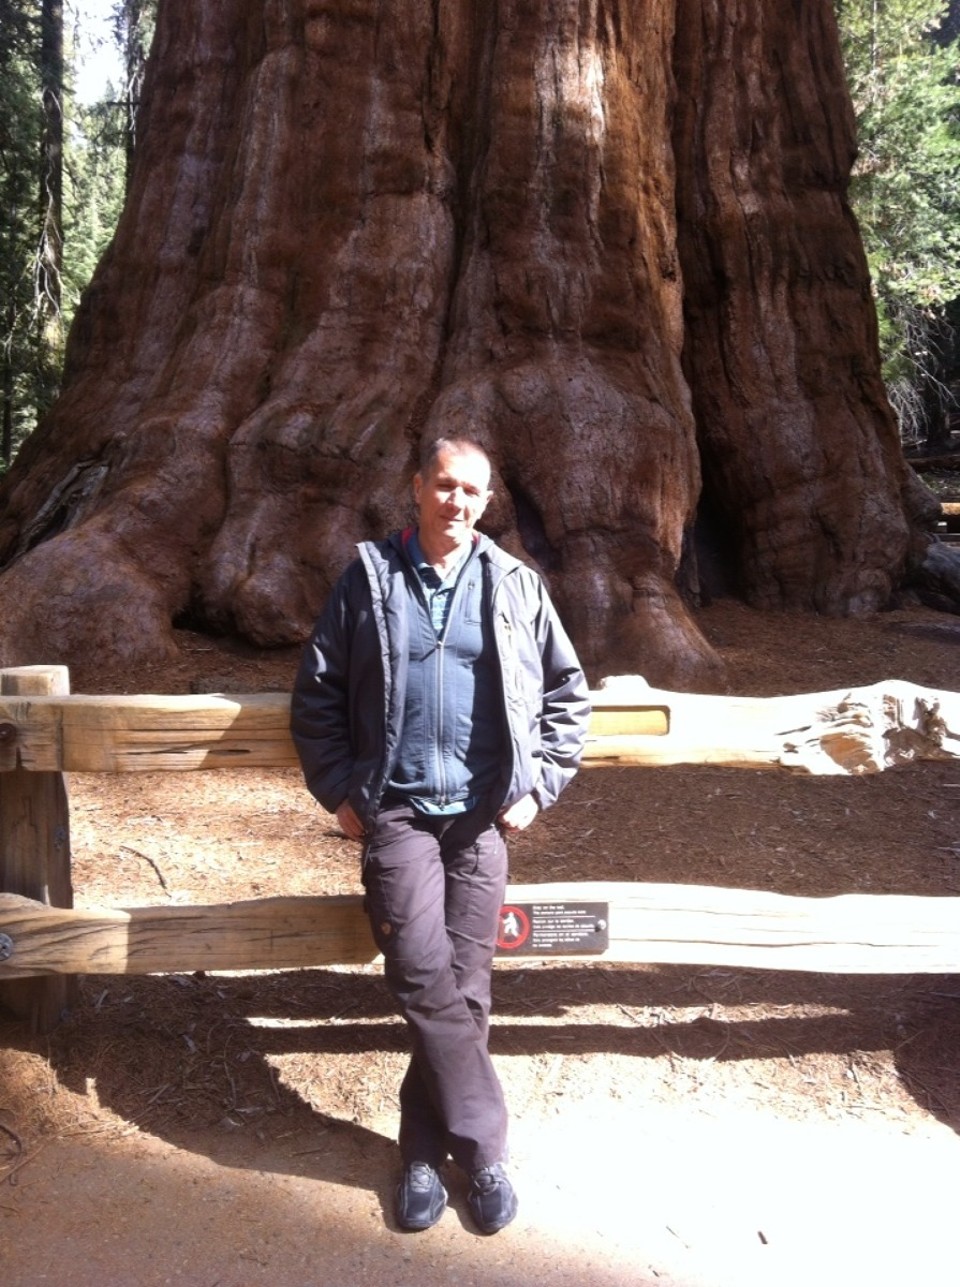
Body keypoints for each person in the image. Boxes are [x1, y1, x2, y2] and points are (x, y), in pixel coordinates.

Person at [290, 436, 590, 1235]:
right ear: (417, 486)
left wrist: (539, 784)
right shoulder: (369, 579)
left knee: (467, 984)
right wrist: (335, 788)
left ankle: (424, 1154)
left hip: (480, 814)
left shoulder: (516, 585)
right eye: (444, 485)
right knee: (424, 974)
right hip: (395, 812)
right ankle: (486, 1149)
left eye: (472, 491)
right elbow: (316, 692)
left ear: (486, 502)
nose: (457, 502)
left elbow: (567, 693)